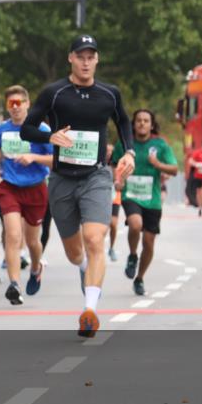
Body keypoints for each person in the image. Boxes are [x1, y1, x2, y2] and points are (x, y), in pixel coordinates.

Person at [20, 34, 135, 338]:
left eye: (91, 56)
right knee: (74, 252)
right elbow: (27, 129)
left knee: (95, 239)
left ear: (97, 59)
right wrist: (49, 137)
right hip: (61, 180)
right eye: (80, 56)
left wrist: (130, 152)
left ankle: (90, 310)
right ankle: (84, 267)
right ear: (70, 58)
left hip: (96, 176)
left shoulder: (109, 94)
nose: (86, 62)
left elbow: (124, 123)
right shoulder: (54, 93)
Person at [0, 85, 54, 305]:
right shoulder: (1, 129)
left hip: (36, 188)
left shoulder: (42, 129)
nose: (16, 108)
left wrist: (33, 158)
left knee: (32, 241)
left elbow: (56, 160)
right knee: (13, 235)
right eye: (11, 104)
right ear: (8, 107)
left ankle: (36, 268)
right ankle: (14, 284)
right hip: (9, 186)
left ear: (28, 104)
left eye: (20, 103)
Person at [111, 109, 178, 296]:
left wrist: (157, 164)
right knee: (135, 224)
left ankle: (139, 278)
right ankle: (133, 255)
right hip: (130, 195)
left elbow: (174, 169)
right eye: (138, 120)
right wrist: (117, 181)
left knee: (149, 242)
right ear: (133, 124)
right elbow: (113, 164)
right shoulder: (125, 144)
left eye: (146, 120)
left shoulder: (160, 145)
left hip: (153, 199)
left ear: (151, 124)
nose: (142, 123)